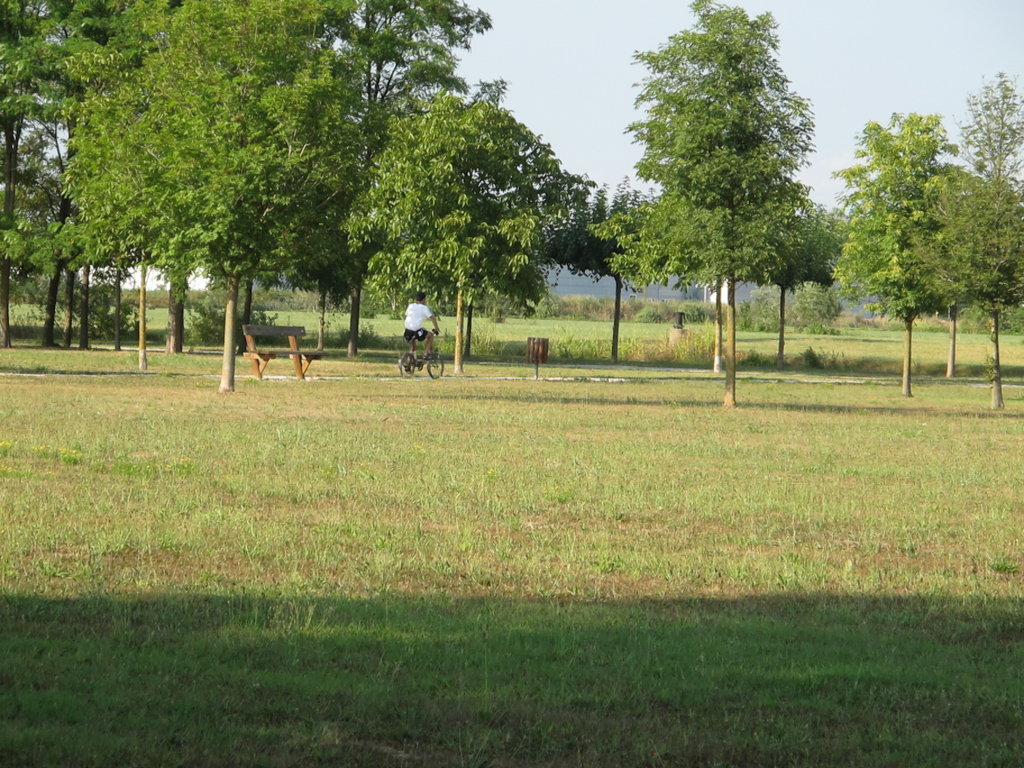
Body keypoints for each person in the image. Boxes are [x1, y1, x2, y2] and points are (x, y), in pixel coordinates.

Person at [403, 292, 440, 360]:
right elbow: (432, 318)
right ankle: (425, 354)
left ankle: (410, 363)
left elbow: (407, 315)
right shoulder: (424, 308)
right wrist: (436, 328)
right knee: (431, 335)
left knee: (413, 346)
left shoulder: (410, 306)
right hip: (415, 331)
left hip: (407, 331)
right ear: (424, 299)